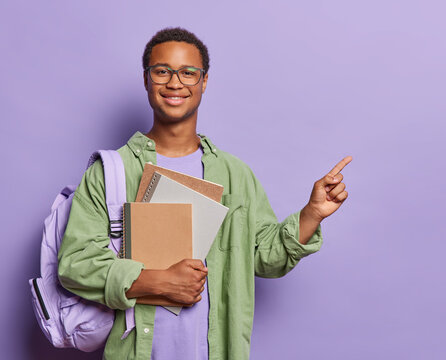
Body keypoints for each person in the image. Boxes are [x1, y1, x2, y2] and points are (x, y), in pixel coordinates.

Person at [58, 27, 351, 360]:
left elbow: (264, 258)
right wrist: (154, 281)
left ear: (204, 82)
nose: (174, 83)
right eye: (162, 71)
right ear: (146, 79)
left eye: (188, 73)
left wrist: (312, 213)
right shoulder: (111, 171)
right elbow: (75, 264)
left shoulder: (235, 175)